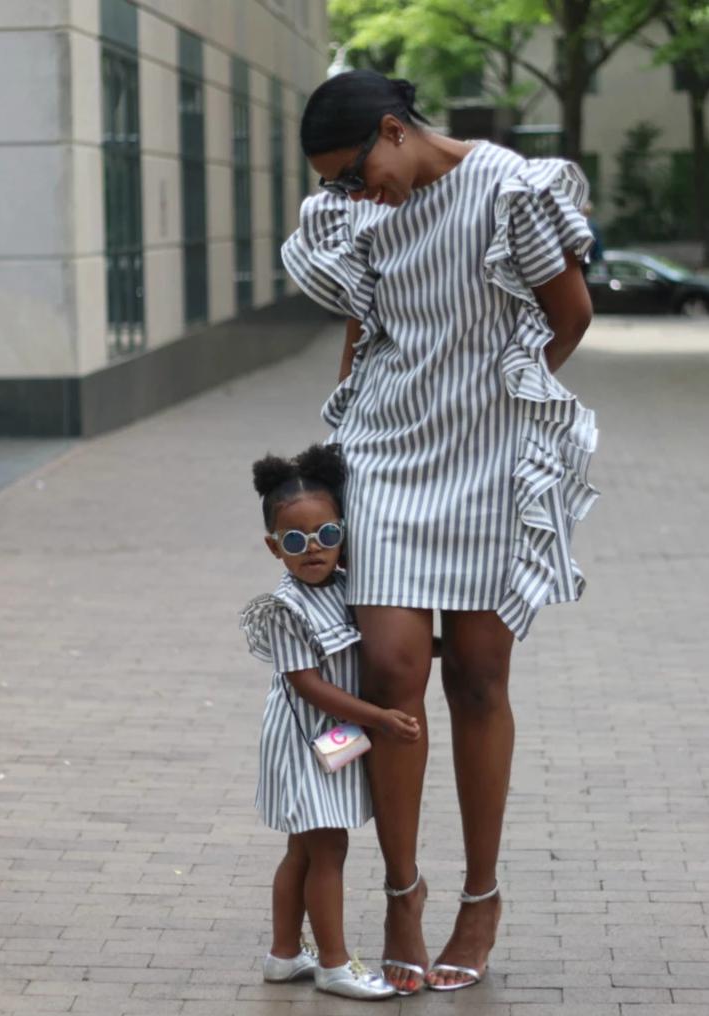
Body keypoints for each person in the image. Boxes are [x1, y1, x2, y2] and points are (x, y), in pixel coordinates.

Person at [281, 70, 599, 994]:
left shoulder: (511, 190)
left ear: (393, 130)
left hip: (487, 460)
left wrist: (503, 397)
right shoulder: (359, 217)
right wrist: (334, 440)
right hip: (383, 454)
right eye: (332, 183)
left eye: (351, 173)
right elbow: (362, 328)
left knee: (479, 678)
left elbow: (569, 315)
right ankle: (401, 892)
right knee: (390, 670)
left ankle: (482, 897)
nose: (345, 194)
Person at [240, 443, 421, 1000]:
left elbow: (375, 648)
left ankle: (283, 955)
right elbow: (308, 685)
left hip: (332, 738)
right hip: (305, 738)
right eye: (295, 540)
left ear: (345, 531)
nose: (313, 549)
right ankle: (334, 965)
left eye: (326, 535)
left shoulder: (348, 587)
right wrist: (381, 719)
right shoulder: (285, 609)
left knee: (302, 849)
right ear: (275, 547)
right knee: (328, 849)